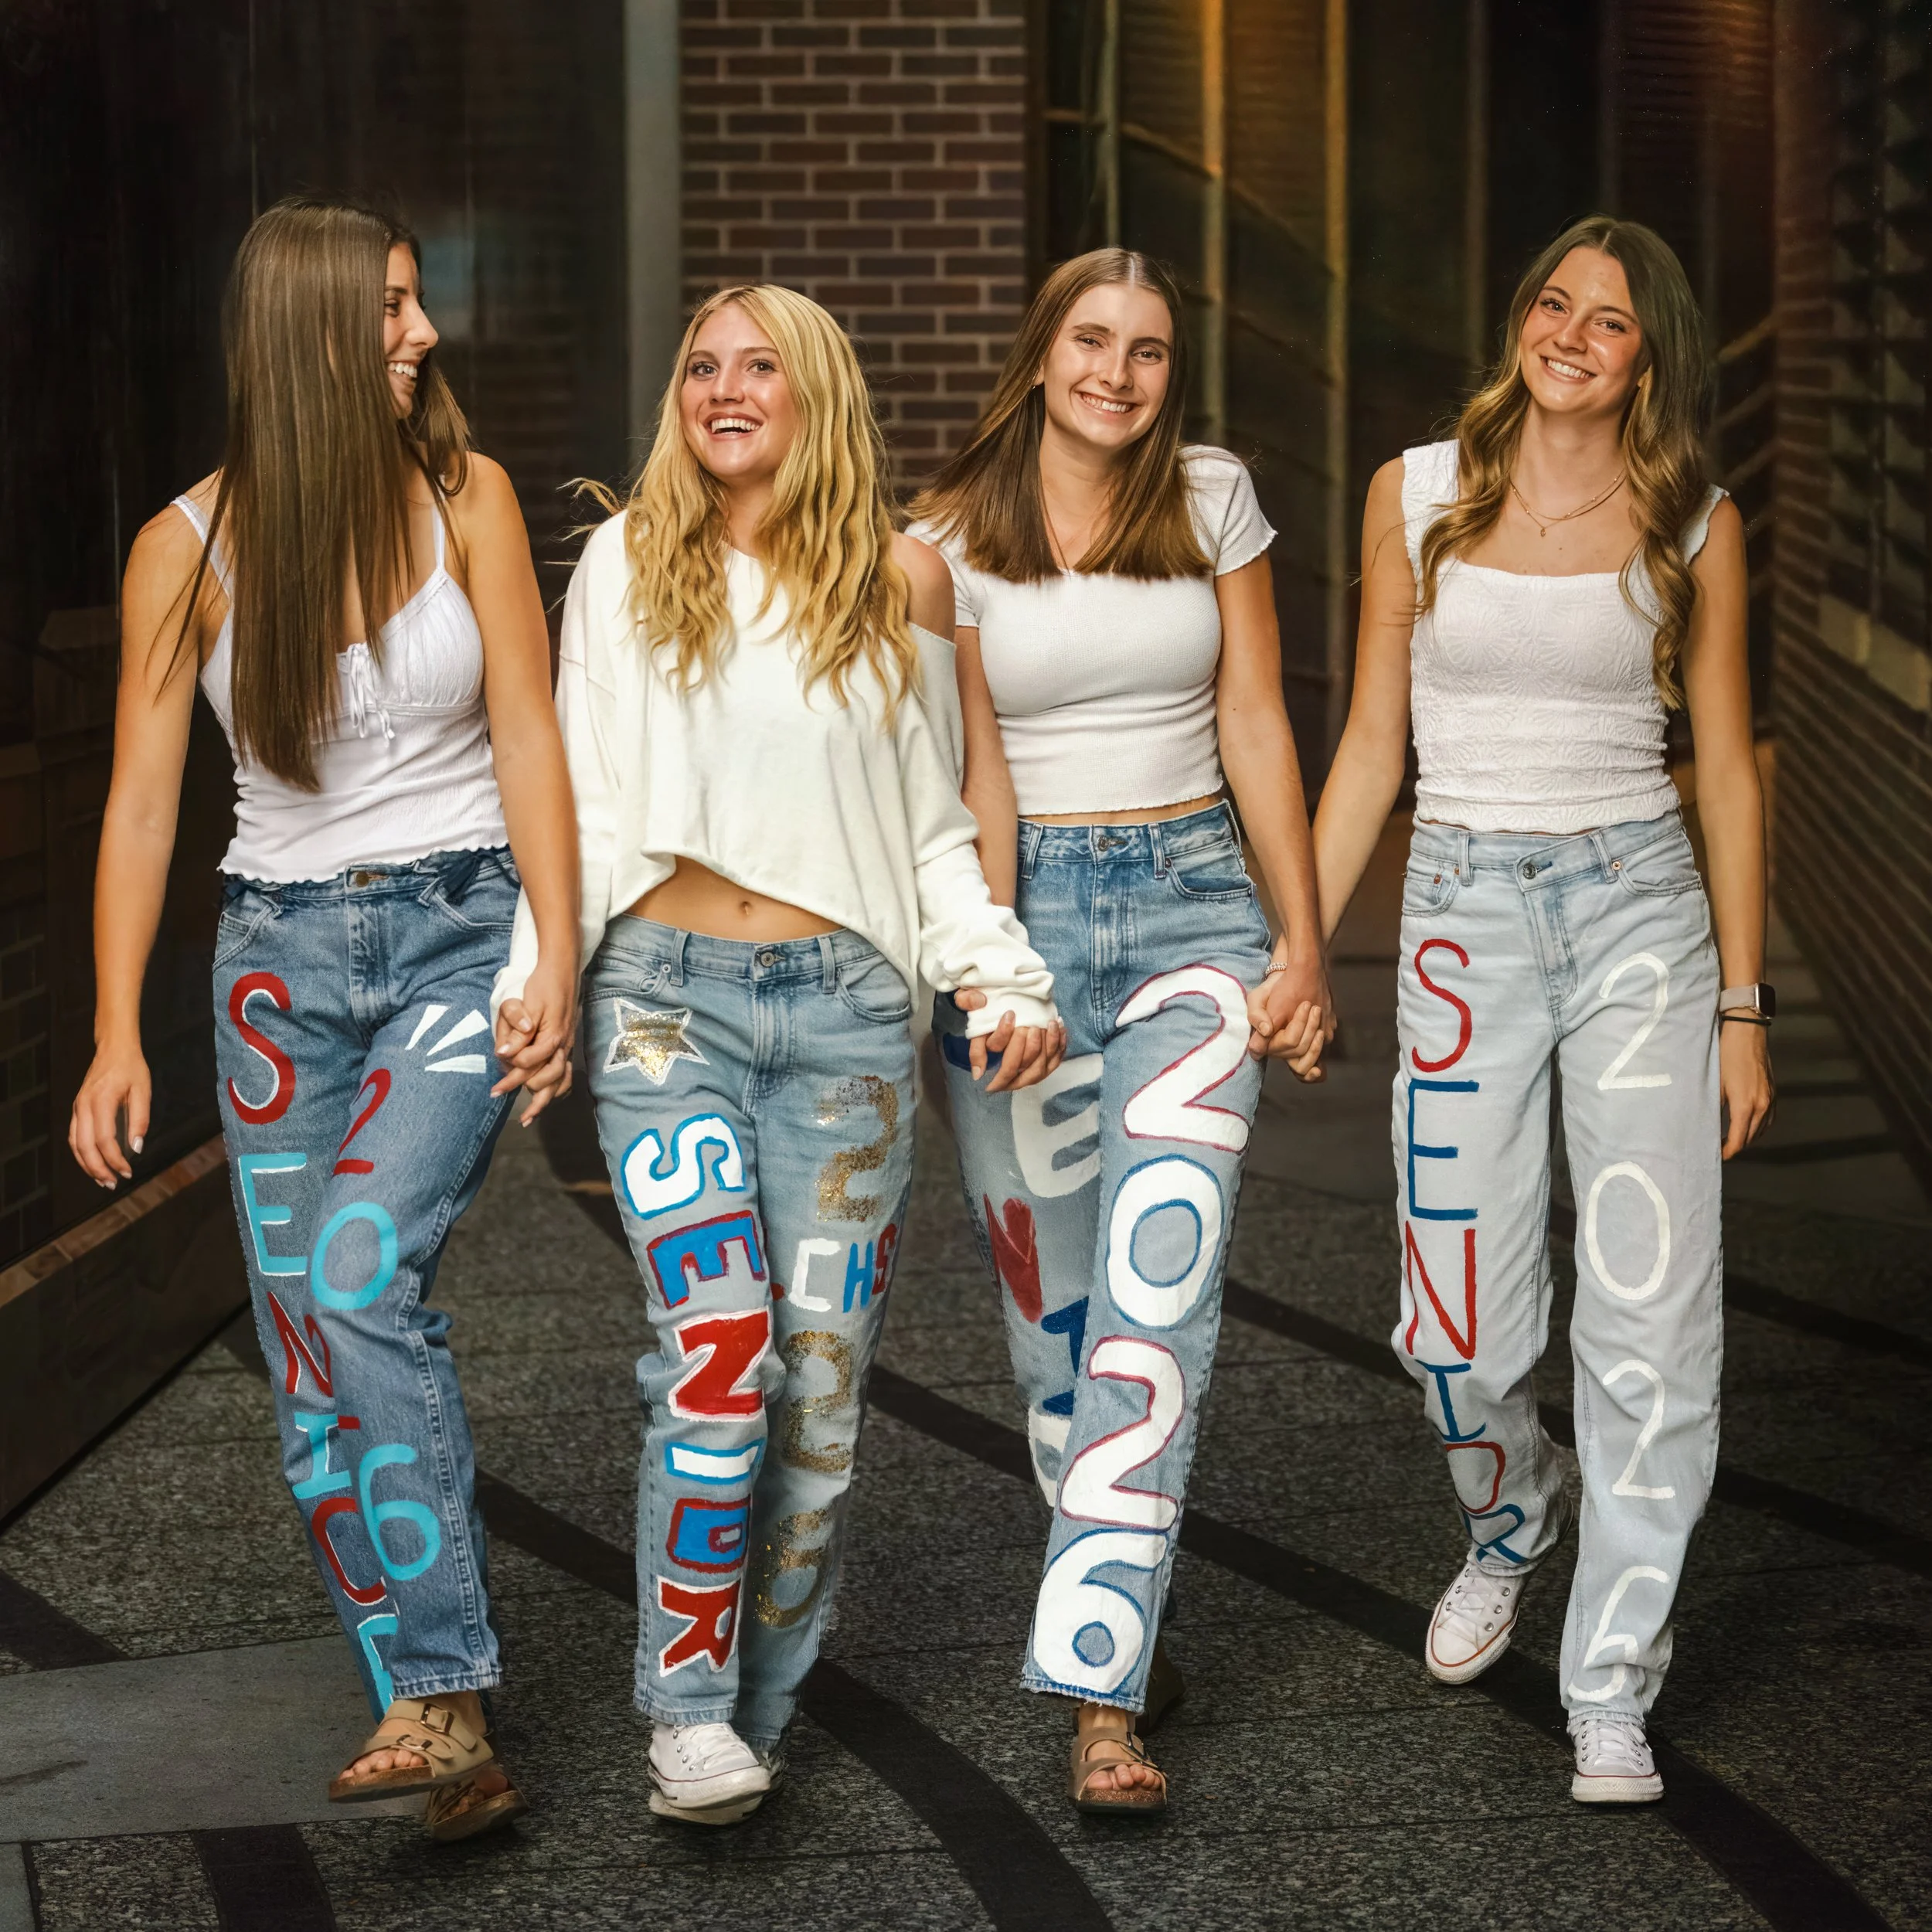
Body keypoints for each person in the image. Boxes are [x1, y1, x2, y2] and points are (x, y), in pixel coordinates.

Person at [495, 281, 1063, 1825]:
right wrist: (539, 965)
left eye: (758, 365)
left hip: (846, 1023)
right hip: (662, 1004)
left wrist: (997, 980)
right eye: (700, 366)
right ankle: (683, 1709)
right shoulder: (624, 563)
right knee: (719, 1350)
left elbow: (936, 832)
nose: (723, 387)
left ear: (816, 395)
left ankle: (748, 1707)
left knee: (816, 1396)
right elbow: (586, 795)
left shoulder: (902, 586)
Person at [69, 196, 579, 1842]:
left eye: (417, 302)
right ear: (308, 335)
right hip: (276, 967)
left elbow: (528, 736)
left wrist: (552, 953)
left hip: (453, 931)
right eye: (392, 308)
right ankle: (433, 1716)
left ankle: (440, 1680)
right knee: (307, 1361)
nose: (422, 333)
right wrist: (114, 1031)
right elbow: (147, 807)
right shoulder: (188, 548)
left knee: (361, 1274)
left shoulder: (468, 499)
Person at [1311, 216, 1775, 1803]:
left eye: (1611, 321)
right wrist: (1296, 943)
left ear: (1651, 358)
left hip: (1639, 912)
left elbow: (1717, 765)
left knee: (1648, 1320)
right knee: (1452, 1324)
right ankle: (1510, 1514)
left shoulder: (1694, 520)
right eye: (1553, 304)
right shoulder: (1415, 491)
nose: (1570, 334)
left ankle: (1608, 1680)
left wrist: (1741, 1003)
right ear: (1521, 316)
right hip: (1456, 913)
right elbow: (1373, 740)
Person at [910, 247, 1334, 1815]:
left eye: (1149, 348)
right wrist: (989, 980)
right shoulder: (940, 541)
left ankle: (1097, 1693)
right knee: (1056, 1342)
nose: (1119, 370)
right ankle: (1126, 1614)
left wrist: (1298, 942)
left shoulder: (1210, 495)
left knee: (1153, 1309)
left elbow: (1252, 718)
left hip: (1191, 916)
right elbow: (967, 780)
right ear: (1039, 356)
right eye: (1091, 340)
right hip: (1024, 932)